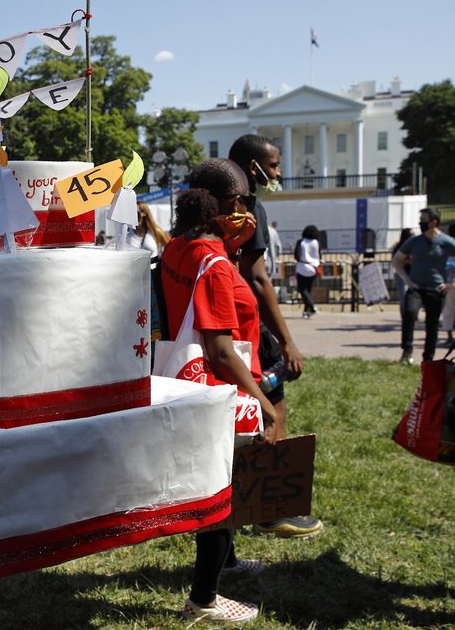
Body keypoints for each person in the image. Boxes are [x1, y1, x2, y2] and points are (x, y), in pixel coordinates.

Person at [160, 159, 278, 623]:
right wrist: (266, 404)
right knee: (223, 495)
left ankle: (225, 565)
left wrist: (230, 244)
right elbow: (223, 350)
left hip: (187, 383)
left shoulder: (177, 249)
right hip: (220, 390)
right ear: (221, 204)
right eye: (242, 201)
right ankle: (204, 600)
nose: (248, 209)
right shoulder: (217, 267)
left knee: (218, 487)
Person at [228, 134, 322, 538]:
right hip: (246, 322)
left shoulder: (211, 203)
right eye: (275, 164)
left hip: (214, 323)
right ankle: (269, 509)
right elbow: (258, 278)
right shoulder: (252, 208)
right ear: (254, 167)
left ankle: (231, 518)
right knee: (274, 408)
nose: (279, 173)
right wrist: (286, 341)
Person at [391, 208, 455, 364]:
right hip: (416, 287)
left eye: (424, 220)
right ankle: (407, 351)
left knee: (432, 324)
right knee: (410, 313)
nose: (421, 223)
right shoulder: (415, 241)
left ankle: (428, 358)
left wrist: (452, 282)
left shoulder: (446, 241)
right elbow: (397, 260)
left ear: (434, 222)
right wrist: (407, 280)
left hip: (436, 289)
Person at [126, 201, 170, 265]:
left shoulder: (155, 231)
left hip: (152, 271)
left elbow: (171, 248)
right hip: (133, 272)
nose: (134, 216)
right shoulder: (127, 232)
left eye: (136, 212)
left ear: (144, 213)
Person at [295, 225, 322, 318]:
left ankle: (311, 305)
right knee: (309, 290)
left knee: (302, 289)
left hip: (303, 266)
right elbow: (319, 255)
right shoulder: (316, 242)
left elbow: (297, 256)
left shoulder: (301, 242)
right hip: (314, 267)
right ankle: (307, 311)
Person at [391, 228, 415, 308]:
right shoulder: (399, 247)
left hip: (412, 274)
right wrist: (408, 261)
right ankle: (405, 316)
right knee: (404, 297)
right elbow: (396, 261)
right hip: (401, 274)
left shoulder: (412, 247)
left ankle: (412, 315)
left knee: (413, 297)